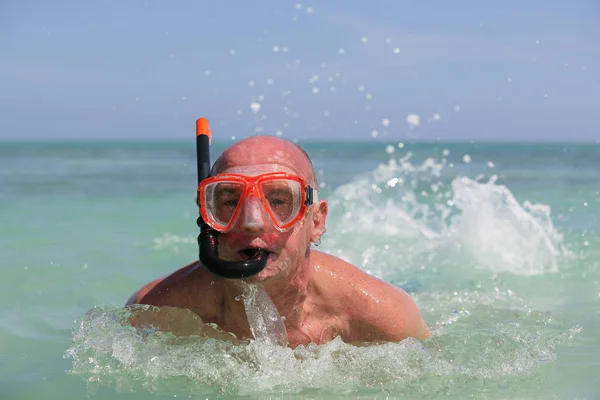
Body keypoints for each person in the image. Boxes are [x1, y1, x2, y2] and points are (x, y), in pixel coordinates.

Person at [126, 135, 430, 347]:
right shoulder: (155, 312)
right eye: (230, 200)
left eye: (280, 199)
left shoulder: (385, 318)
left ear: (316, 221)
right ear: (207, 218)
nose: (252, 220)